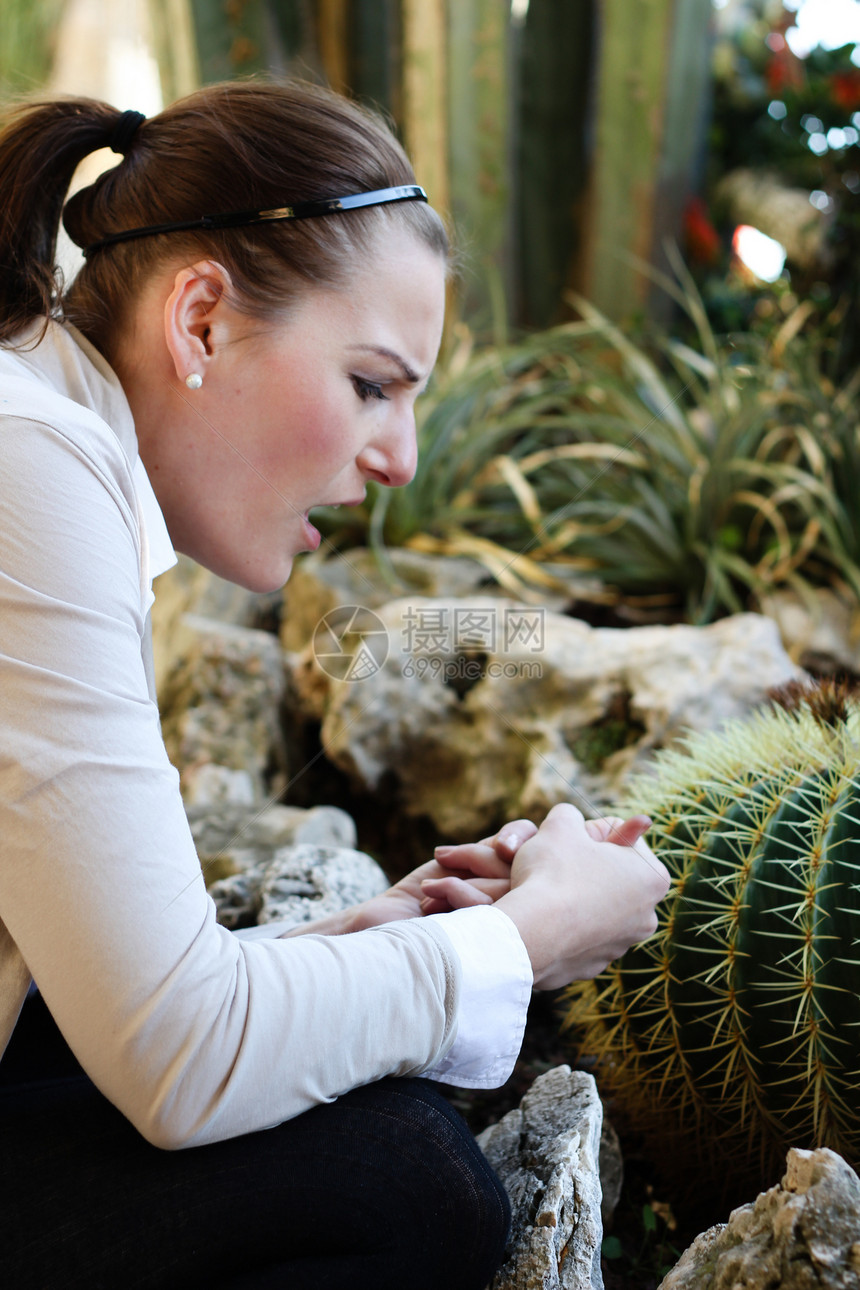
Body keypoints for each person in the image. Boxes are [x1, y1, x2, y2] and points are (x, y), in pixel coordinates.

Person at [0, 80, 670, 1289]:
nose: (401, 459)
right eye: (372, 383)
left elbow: (109, 982)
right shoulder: (28, 467)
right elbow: (180, 1059)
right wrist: (524, 941)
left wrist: (361, 944)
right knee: (398, 1185)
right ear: (199, 319)